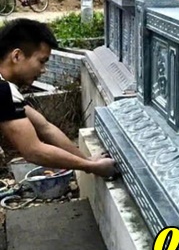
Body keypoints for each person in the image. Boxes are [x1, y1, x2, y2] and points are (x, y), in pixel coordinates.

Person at [0, 18, 117, 177]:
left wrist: (87, 160)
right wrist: (91, 167)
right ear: (17, 56)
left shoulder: (6, 90)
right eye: (42, 61)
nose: (43, 70)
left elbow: (44, 127)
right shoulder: (3, 90)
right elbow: (33, 150)